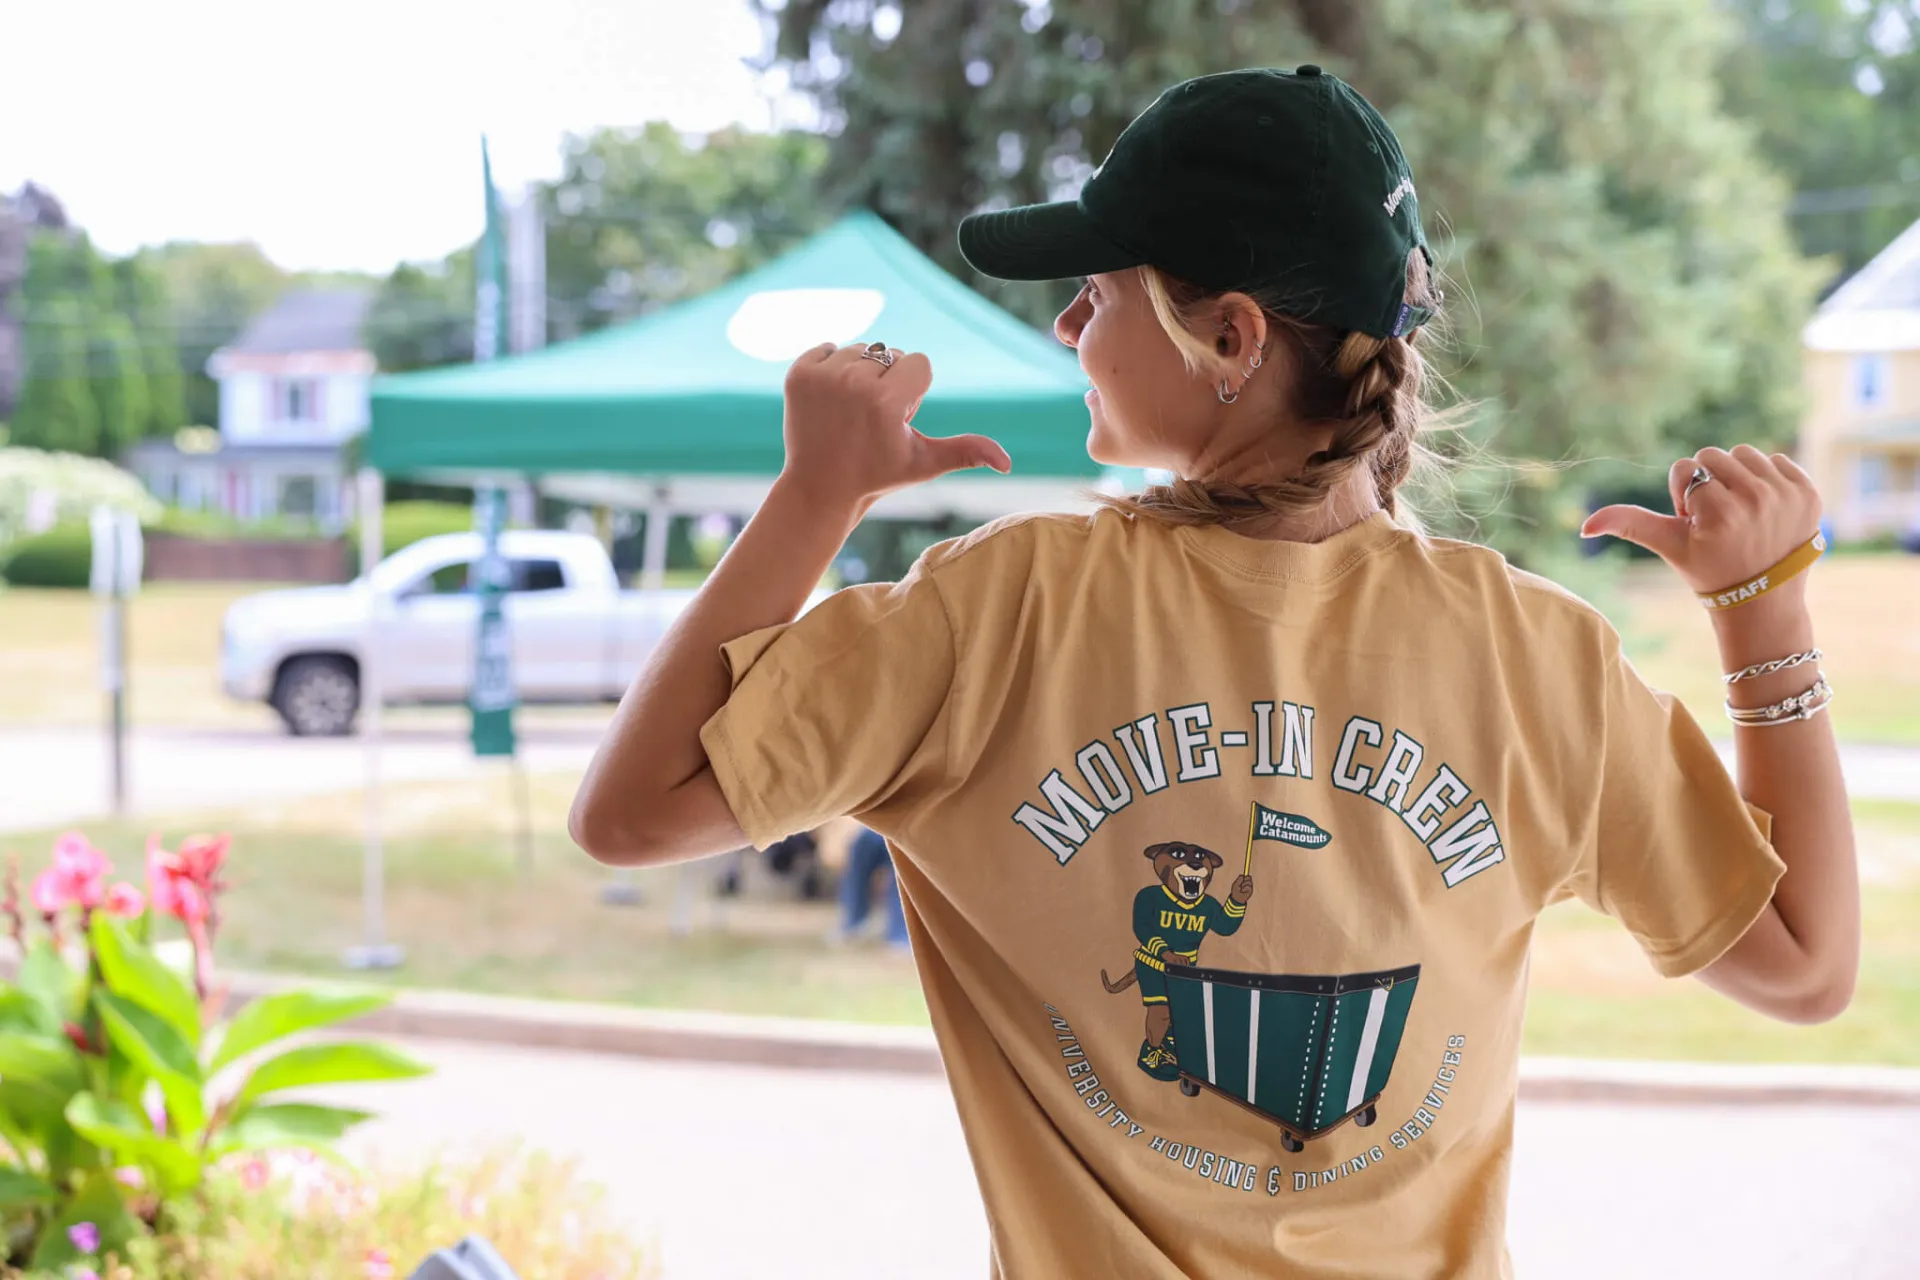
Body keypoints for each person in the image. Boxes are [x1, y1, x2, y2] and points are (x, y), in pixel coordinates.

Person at [570, 66, 1857, 1279]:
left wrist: (817, 493)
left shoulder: (1001, 609)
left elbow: (632, 813)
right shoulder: (1537, 656)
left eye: (1099, 290)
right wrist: (1761, 613)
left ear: (1229, 337)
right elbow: (1803, 965)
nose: (1068, 321)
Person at [839, 823, 912, 948]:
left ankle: (902, 932)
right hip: (880, 825)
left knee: (901, 853)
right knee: (862, 843)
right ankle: (854, 922)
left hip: (909, 828)